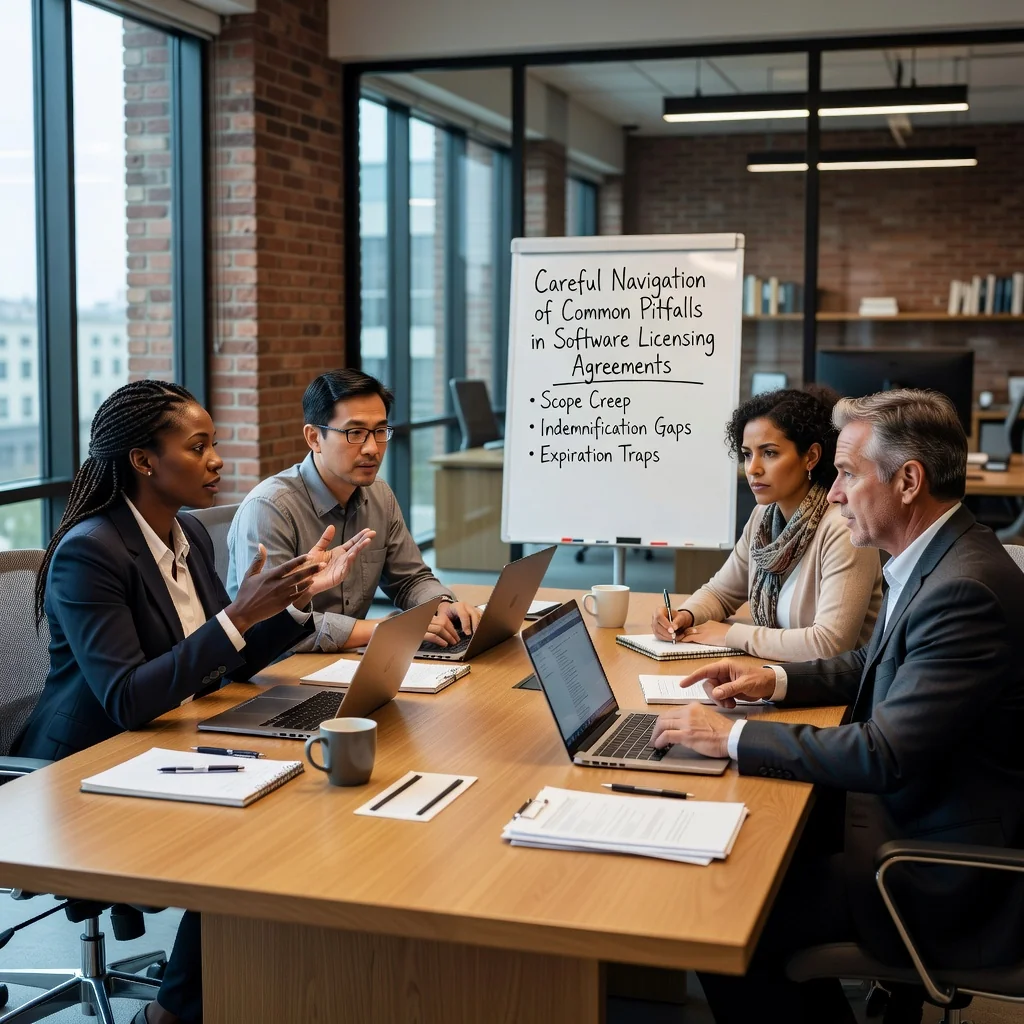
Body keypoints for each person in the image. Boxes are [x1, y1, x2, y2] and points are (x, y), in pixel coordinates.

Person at [651, 388, 1024, 1024]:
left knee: (723, 915)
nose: (835, 493)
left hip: (937, 873)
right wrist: (773, 680)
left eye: (848, 473)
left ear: (908, 481)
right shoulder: (940, 557)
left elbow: (882, 753)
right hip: (918, 813)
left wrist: (728, 738)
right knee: (750, 842)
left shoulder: (963, 590)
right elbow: (869, 664)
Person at [12, 380, 374, 1024]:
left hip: (170, 739)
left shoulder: (188, 536)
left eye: (213, 445)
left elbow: (224, 660)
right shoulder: (90, 552)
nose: (217, 461)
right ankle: (172, 1013)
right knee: (254, 835)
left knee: (302, 806)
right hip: (86, 764)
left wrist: (293, 603)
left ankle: (263, 990)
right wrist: (238, 615)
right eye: (198, 446)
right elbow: (126, 698)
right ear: (143, 461)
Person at [227, 368, 482, 652]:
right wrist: (384, 629)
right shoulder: (270, 508)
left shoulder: (379, 494)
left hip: (350, 660)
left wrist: (441, 605)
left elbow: (411, 579)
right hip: (278, 670)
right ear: (314, 438)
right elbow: (271, 626)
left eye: (380, 431)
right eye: (355, 433)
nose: (372, 448)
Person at [652, 386, 882, 661]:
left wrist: (731, 635)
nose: (752, 468)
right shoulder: (764, 517)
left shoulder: (843, 527)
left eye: (769, 453)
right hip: (776, 673)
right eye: (747, 454)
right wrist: (684, 616)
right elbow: (721, 592)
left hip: (839, 685)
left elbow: (829, 646)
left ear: (811, 456)